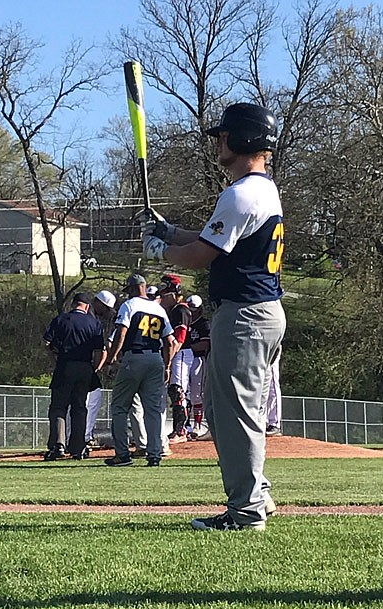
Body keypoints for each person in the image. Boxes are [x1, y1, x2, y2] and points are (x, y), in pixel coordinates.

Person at [140, 102, 285, 531]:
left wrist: (159, 252)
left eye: (224, 136)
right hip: (258, 313)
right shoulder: (262, 189)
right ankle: (255, 496)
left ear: (241, 140)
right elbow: (214, 241)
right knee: (230, 415)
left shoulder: (241, 193)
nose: (219, 142)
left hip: (245, 315)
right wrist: (169, 232)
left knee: (235, 415)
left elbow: (203, 255)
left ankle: (246, 512)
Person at [104, 272, 175, 467]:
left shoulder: (130, 305)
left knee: (119, 407)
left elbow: (121, 332)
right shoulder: (159, 309)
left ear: (134, 289)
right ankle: (154, 454)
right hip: (155, 358)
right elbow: (170, 342)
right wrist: (167, 365)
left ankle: (122, 454)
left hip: (134, 357)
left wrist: (111, 360)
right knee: (152, 410)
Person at [43, 292, 105, 461]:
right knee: (79, 407)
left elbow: (47, 342)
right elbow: (100, 350)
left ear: (74, 304)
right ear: (86, 306)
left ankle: (58, 445)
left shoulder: (61, 319)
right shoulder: (94, 323)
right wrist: (95, 368)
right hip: (85, 367)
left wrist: (54, 358)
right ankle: (78, 447)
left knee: (58, 407)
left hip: (65, 365)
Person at [158, 273, 192, 443]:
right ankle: (179, 430)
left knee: (177, 390)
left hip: (181, 353)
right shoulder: (171, 310)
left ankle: (181, 431)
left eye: (165, 292)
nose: (162, 296)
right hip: (173, 353)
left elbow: (179, 339)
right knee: (173, 391)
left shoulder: (180, 310)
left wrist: (168, 363)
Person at [84, 290, 117, 447]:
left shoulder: (82, 316)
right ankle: (85, 436)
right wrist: (98, 367)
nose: (107, 313)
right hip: (86, 366)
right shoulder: (92, 320)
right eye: (106, 308)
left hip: (71, 366)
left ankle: (73, 437)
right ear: (98, 303)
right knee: (91, 400)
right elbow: (101, 349)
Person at [184, 294, 211, 439]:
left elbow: (205, 343)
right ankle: (185, 425)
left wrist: (188, 348)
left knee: (196, 393)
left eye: (194, 309)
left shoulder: (203, 324)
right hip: (184, 359)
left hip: (197, 359)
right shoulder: (184, 321)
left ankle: (198, 426)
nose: (192, 312)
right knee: (184, 392)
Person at [265, 344, 283, 436]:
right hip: (255, 345)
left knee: (272, 387)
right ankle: (262, 422)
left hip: (271, 345)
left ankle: (274, 424)